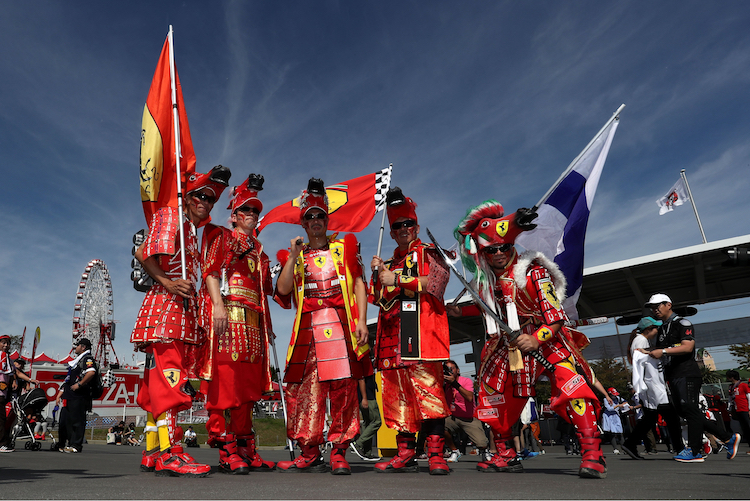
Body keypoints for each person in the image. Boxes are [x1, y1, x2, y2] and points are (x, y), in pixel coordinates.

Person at [450, 201, 607, 478]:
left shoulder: (533, 272)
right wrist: (459, 310)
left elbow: (556, 316)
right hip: (506, 344)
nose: (498, 253)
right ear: (483, 253)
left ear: (513, 247)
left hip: (546, 339)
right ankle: (505, 454)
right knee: (492, 393)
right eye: (491, 249)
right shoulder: (485, 282)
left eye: (504, 247)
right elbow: (488, 308)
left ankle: (593, 453)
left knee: (572, 386)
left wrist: (536, 339)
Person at [131, 165, 231, 477]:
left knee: (158, 385)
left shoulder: (191, 230)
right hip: (166, 312)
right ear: (186, 197)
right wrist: (169, 282)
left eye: (211, 198)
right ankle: (171, 452)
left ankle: (151, 450)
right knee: (171, 383)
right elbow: (141, 253)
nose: (205, 201)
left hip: (178, 315)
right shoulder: (172, 216)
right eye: (200, 195)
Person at [274, 177, 370, 474]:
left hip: (341, 326)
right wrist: (291, 257)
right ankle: (309, 450)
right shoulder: (294, 256)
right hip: (307, 329)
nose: (315, 221)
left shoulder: (345, 247)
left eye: (320, 216)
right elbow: (283, 289)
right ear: (302, 223)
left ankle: (339, 450)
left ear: (327, 220)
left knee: (343, 389)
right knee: (305, 391)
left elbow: (358, 283)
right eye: (309, 217)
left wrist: (362, 321)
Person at [369, 187, 451, 475]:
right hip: (392, 339)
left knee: (429, 396)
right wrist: (377, 275)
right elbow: (377, 299)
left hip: (422, 338)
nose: (403, 229)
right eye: (397, 226)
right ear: (390, 232)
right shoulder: (388, 262)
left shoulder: (430, 252)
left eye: (408, 224)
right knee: (397, 399)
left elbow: (438, 283)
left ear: (416, 226)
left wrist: (398, 277)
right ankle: (405, 453)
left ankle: (436, 455)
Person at [199, 173, 276, 474]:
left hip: (253, 322)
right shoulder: (220, 236)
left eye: (256, 211)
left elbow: (264, 291)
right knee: (225, 385)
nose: (253, 215)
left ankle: (245, 446)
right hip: (227, 318)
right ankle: (225, 448)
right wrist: (217, 305)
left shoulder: (260, 250)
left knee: (247, 390)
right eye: (247, 210)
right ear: (234, 214)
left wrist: (266, 325)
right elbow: (210, 271)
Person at [640, 293, 741, 462]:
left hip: (687, 373)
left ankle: (694, 451)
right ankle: (727, 438)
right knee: (686, 411)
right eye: (652, 307)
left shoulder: (682, 323)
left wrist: (662, 351)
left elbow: (687, 347)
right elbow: (664, 348)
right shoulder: (663, 328)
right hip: (672, 375)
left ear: (668, 305)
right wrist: (649, 352)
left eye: (657, 305)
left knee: (689, 408)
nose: (654, 309)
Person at [622, 317, 682, 459]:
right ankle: (680, 449)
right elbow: (642, 365)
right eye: (655, 328)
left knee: (651, 418)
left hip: (653, 386)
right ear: (649, 329)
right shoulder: (641, 341)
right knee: (671, 418)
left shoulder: (640, 340)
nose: (657, 331)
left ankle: (630, 443)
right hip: (652, 386)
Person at [443, 360, 489, 463]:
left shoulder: (466, 381)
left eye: (452, 368)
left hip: (469, 418)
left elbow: (469, 397)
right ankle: (454, 451)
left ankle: (484, 451)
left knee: (482, 443)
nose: (450, 371)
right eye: (447, 369)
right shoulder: (444, 384)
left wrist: (454, 383)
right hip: (453, 418)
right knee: (439, 426)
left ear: (458, 370)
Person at [56, 338, 96, 453]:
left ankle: (76, 445)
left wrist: (79, 384)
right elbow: (68, 380)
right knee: (65, 421)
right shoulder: (77, 361)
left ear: (83, 347)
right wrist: (60, 394)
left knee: (77, 421)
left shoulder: (87, 358)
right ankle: (64, 444)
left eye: (77, 345)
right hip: (69, 397)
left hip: (79, 397)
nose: (75, 347)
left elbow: (91, 372)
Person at [350, 372, 382, 461]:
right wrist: (364, 398)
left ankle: (366, 452)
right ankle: (358, 444)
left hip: (365, 396)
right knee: (376, 421)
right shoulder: (364, 359)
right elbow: (361, 378)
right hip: (367, 397)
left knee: (368, 422)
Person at [727, 369, 750, 452]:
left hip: (745, 409)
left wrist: (749, 409)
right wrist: (729, 409)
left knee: (748, 426)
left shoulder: (743, 385)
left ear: (732, 377)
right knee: (745, 429)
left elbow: (749, 396)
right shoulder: (731, 387)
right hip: (737, 409)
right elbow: (730, 399)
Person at [0, 334, 14, 452]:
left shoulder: (8, 359)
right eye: (3, 342)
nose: (6, 345)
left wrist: (30, 380)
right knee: (1, 418)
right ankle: (2, 443)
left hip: (4, 392)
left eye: (8, 343)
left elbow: (16, 372)